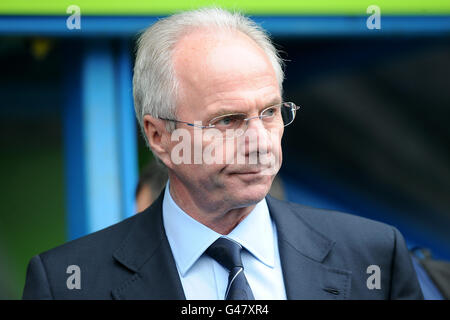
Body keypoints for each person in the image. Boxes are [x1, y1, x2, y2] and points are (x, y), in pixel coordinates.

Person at [22, 7, 423, 300]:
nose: (260, 143)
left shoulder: (373, 255)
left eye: (270, 112)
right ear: (159, 136)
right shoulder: (67, 283)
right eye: (228, 120)